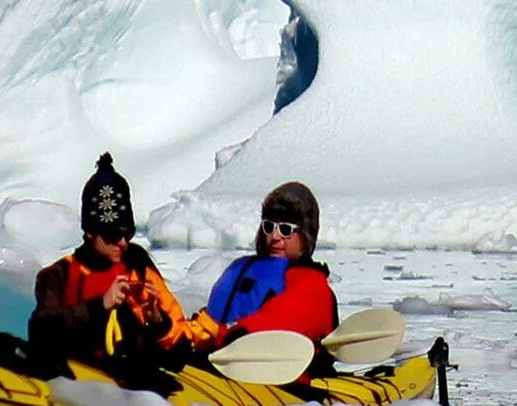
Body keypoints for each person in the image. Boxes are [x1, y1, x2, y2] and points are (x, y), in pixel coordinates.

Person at [27, 152, 205, 375]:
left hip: (132, 383)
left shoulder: (138, 266)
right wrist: (99, 306)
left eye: (127, 234)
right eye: (111, 235)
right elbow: (42, 329)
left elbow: (178, 349)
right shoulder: (56, 276)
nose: (122, 243)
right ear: (90, 232)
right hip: (77, 378)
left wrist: (158, 322)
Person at [190, 181, 339, 381]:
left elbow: (275, 322)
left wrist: (221, 333)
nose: (274, 237)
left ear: (305, 236)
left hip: (279, 382)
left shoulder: (311, 284)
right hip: (218, 362)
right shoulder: (240, 267)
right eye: (268, 227)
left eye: (286, 230)